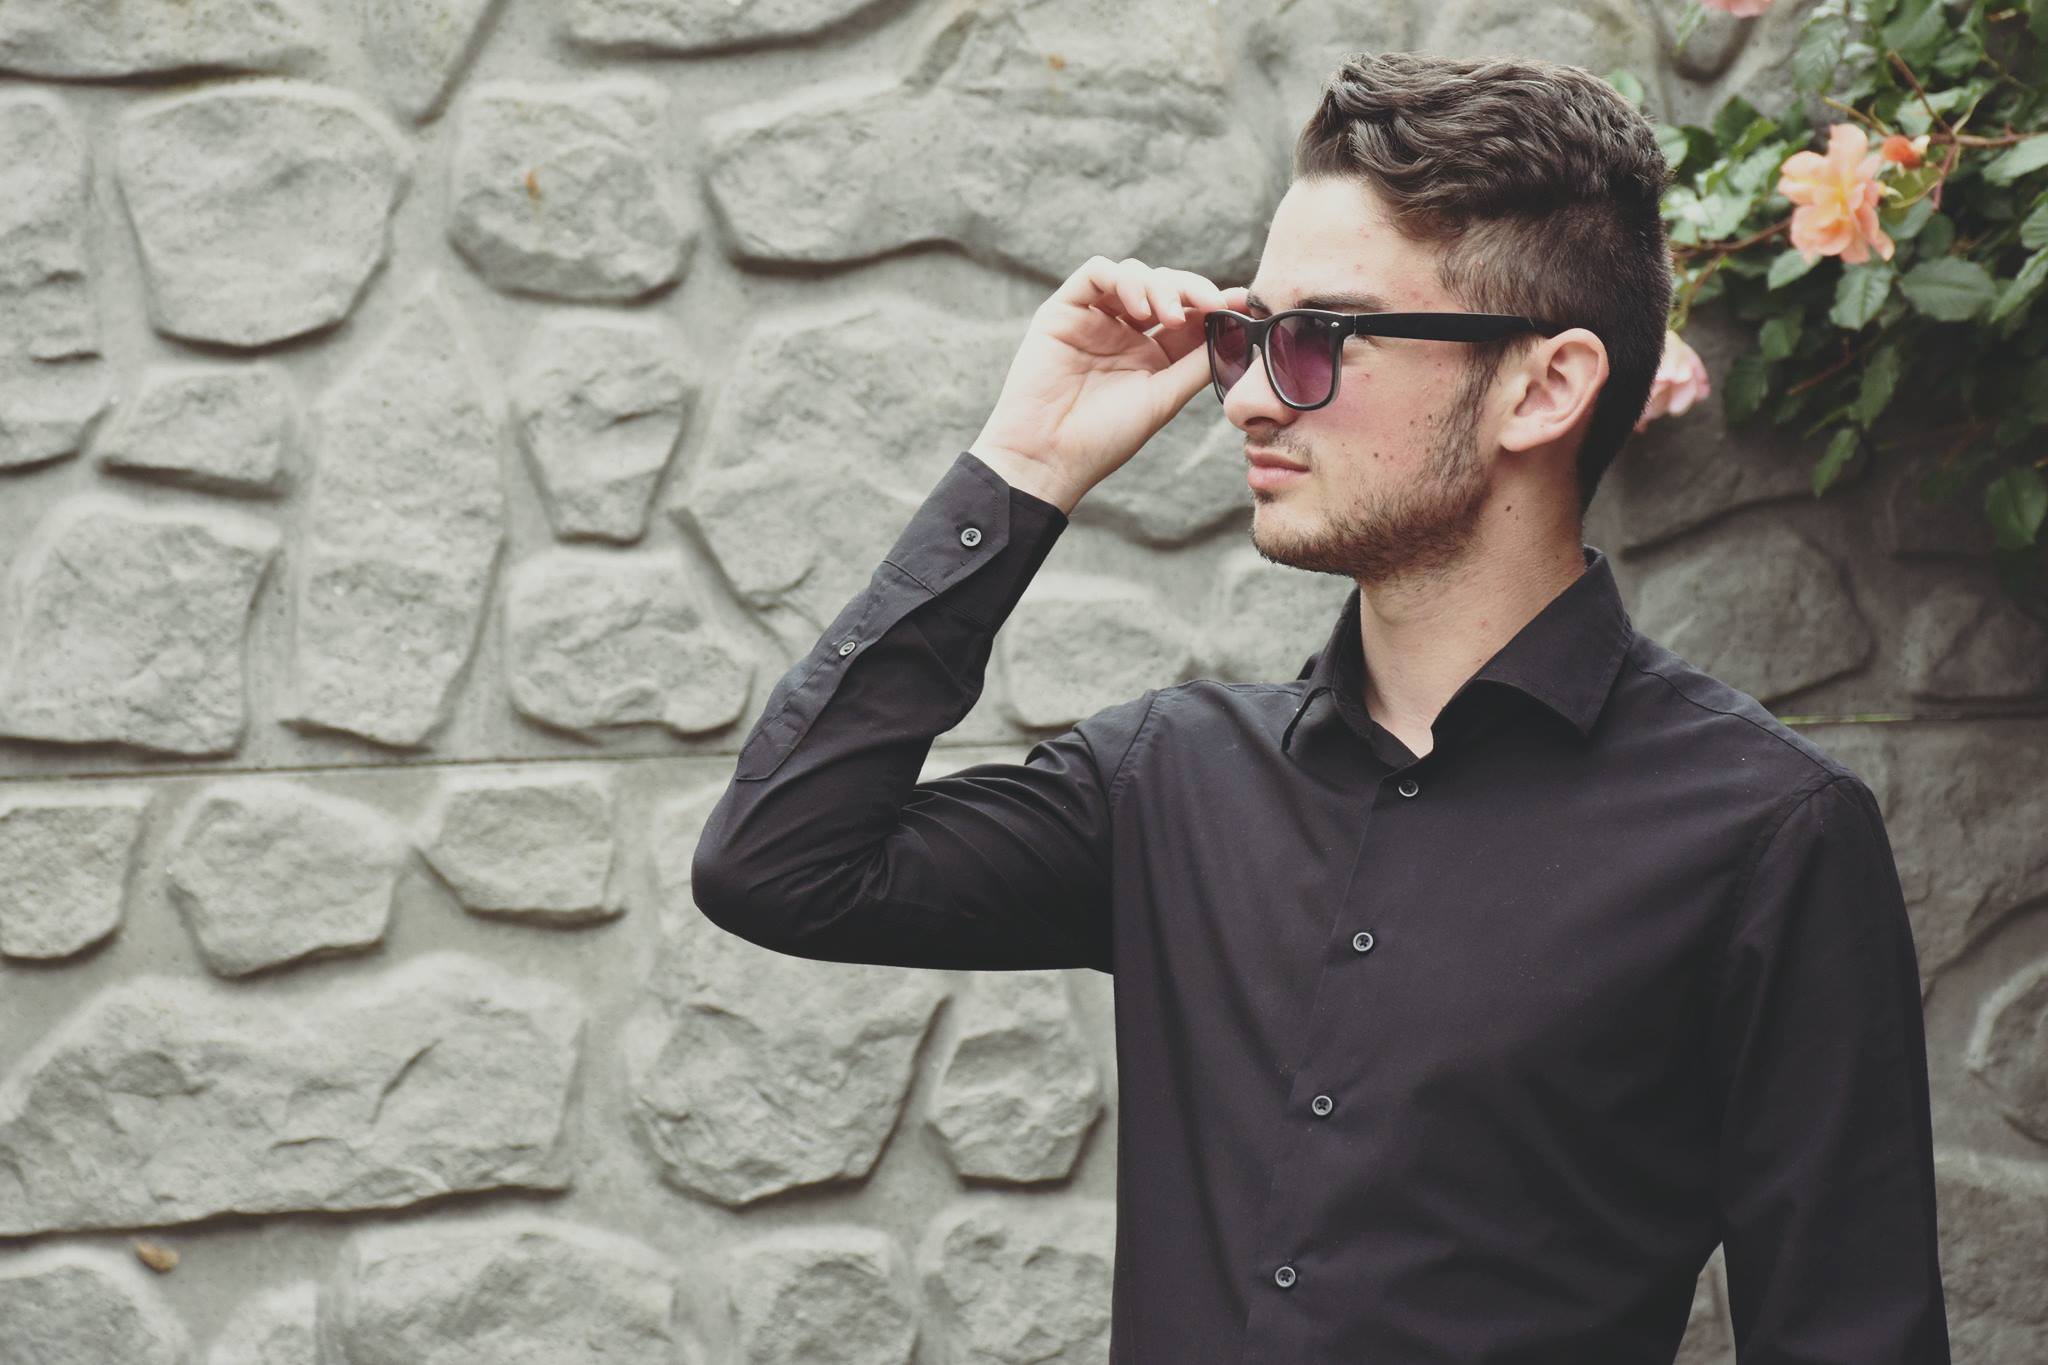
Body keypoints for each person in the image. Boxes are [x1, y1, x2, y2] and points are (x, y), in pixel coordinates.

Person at [691, 50, 1951, 1364]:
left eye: (1319, 340)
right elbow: (779, 865)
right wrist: (1025, 463)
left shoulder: (1766, 833)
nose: (1244, 394)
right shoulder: (1172, 779)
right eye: (1248, 335)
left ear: (1544, 387)